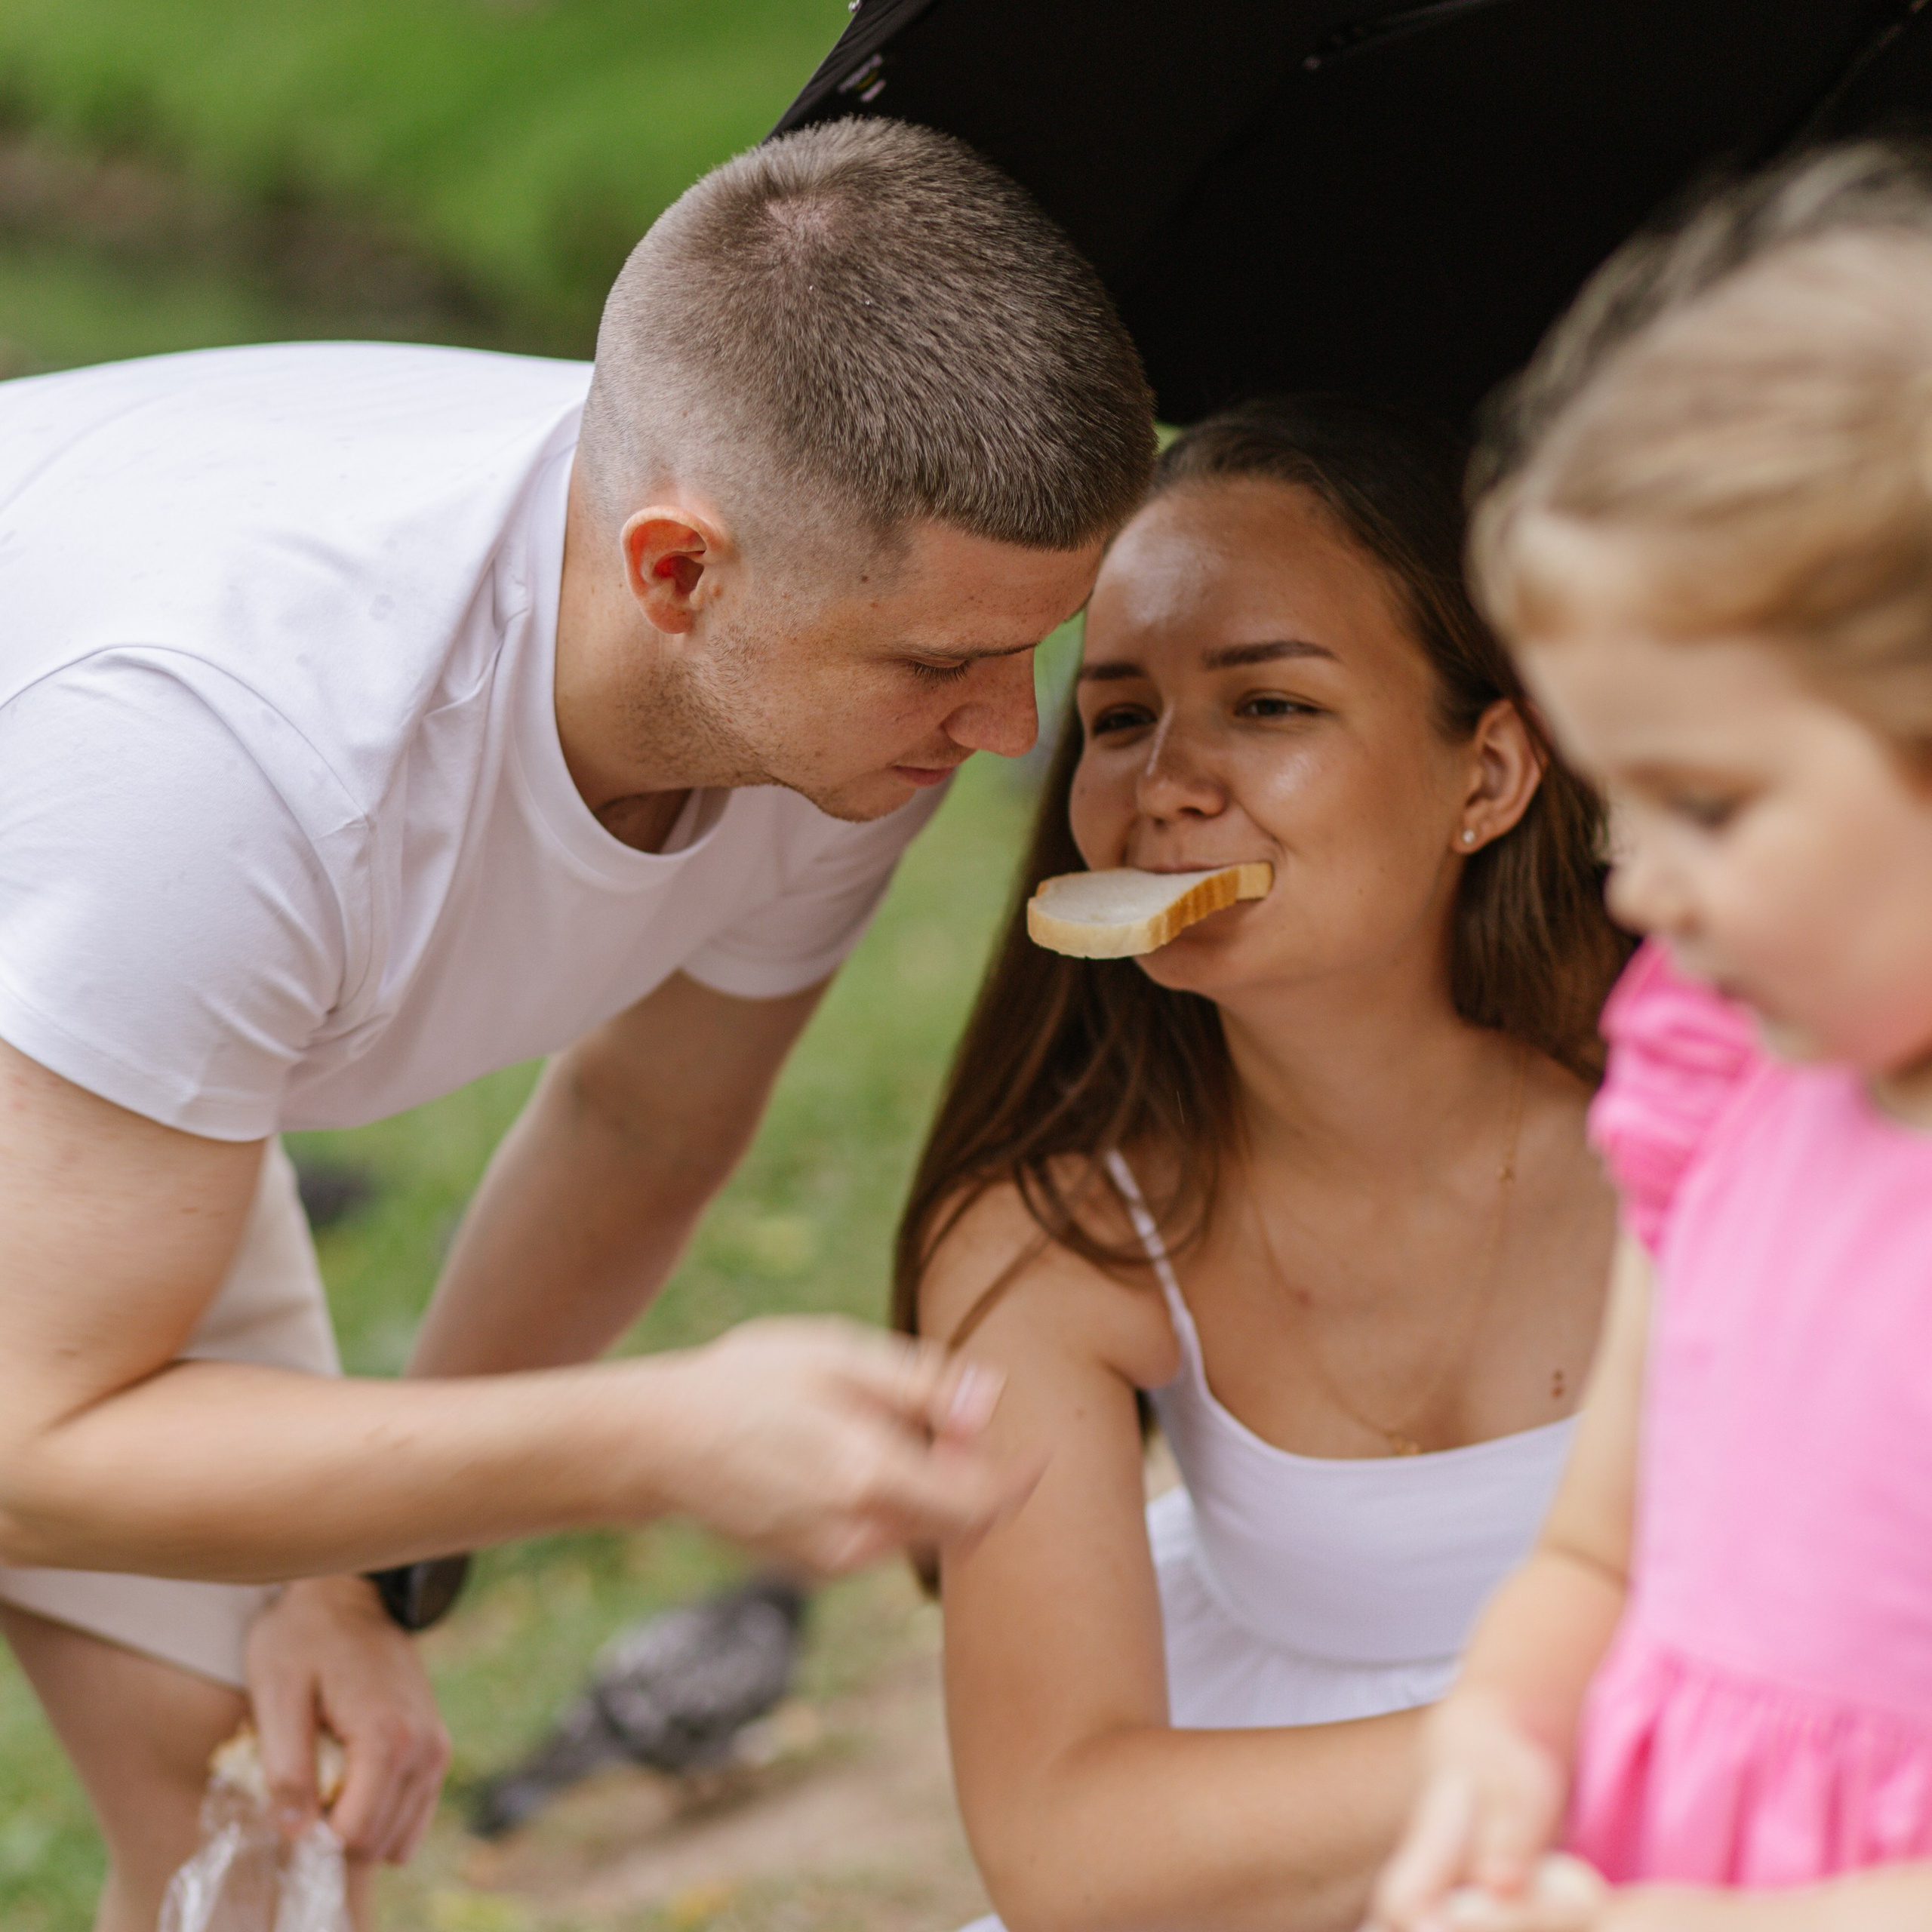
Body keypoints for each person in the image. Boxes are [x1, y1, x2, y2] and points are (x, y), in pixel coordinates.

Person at [0, 117, 1155, 1930]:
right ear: (677, 572)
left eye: (1036, 645)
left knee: (269, 1837)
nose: (1010, 731)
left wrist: (363, 1575)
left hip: (98, 1040)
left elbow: (639, 1126)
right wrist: (652, 1434)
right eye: (940, 663)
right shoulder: (233, 749)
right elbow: (29, 1453)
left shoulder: (817, 639)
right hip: (91, 901)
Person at [894, 395, 1628, 1932]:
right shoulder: (1055, 1233)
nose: (1165, 781)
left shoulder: (1714, 1132)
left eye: (1268, 706)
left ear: (1485, 776)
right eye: (1115, 715)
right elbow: (1061, 1842)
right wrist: (1593, 1737)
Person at [1372, 148, 1932, 1932]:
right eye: (1619, 801)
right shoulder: (1724, 1086)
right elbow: (1597, 1548)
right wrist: (1496, 1732)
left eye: (1702, 799)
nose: (1634, 889)